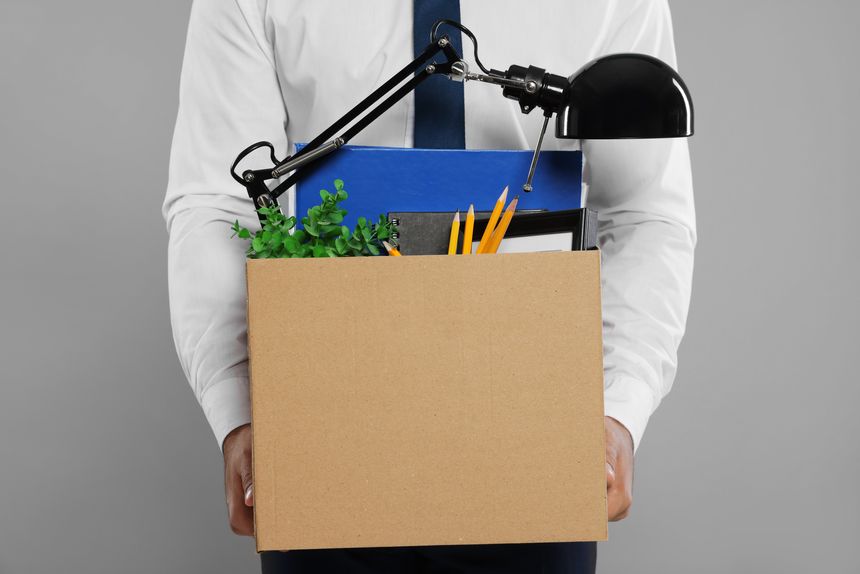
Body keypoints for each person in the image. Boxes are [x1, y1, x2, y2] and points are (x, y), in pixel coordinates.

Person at [163, 1, 695, 572]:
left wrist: (618, 409)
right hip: (326, 429)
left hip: (532, 429)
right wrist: (238, 408)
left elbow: (642, 214)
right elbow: (219, 205)